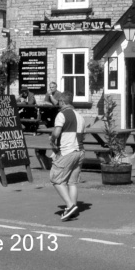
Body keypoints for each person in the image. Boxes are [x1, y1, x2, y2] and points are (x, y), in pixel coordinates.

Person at [48, 91, 84, 221]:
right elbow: (83, 136)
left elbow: (56, 132)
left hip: (67, 151)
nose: (58, 104)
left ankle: (70, 206)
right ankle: (72, 209)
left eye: (59, 101)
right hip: (80, 151)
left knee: (55, 179)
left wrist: (52, 139)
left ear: (63, 102)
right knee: (72, 182)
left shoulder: (61, 114)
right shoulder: (80, 116)